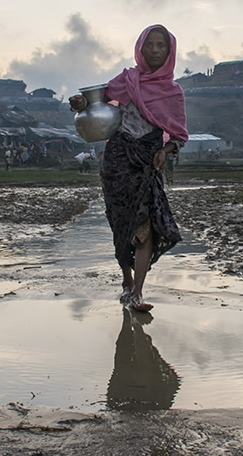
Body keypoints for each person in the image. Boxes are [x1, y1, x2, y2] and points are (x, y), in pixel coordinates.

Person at [69, 24, 188, 312]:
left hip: (148, 162)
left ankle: (137, 292)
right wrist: (79, 104)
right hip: (118, 162)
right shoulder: (127, 80)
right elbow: (98, 99)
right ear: (140, 49)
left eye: (162, 46)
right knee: (121, 223)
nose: (156, 50)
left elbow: (179, 137)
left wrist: (165, 150)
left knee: (145, 225)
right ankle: (126, 280)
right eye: (151, 45)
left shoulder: (173, 93)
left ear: (170, 51)